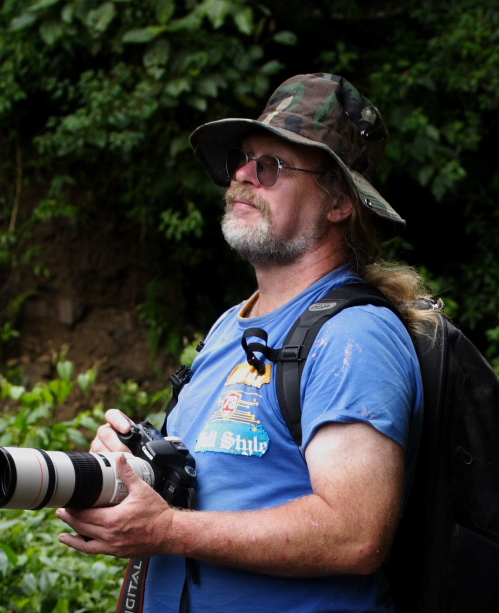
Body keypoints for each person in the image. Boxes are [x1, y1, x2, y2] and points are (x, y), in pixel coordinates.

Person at [56, 73, 430, 612]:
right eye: (243, 159)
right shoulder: (232, 323)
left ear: (339, 202)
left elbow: (355, 535)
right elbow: (182, 514)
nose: (242, 176)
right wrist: (137, 483)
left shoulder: (353, 336)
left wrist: (166, 530)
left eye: (271, 165)